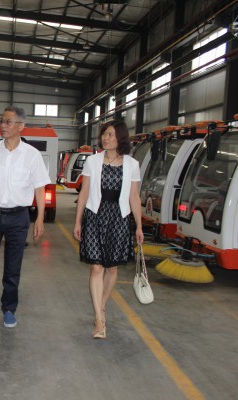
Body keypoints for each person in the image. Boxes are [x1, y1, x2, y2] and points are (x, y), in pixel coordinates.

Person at [0, 106, 51, 335]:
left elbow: (39, 188)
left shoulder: (32, 155)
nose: (3, 126)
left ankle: (9, 309)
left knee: (13, 267)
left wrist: (40, 218)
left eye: (8, 122)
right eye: (2, 121)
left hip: (18, 217)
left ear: (21, 126)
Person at [73, 120, 144, 340]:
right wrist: (78, 221)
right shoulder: (92, 162)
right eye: (104, 134)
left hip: (119, 218)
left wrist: (139, 226)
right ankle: (99, 319)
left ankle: (101, 304)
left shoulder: (132, 164)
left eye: (111, 134)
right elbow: (84, 193)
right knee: (96, 268)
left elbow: (134, 197)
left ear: (120, 137)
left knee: (111, 268)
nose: (106, 138)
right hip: (95, 215)